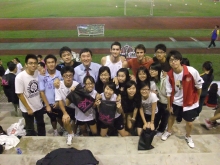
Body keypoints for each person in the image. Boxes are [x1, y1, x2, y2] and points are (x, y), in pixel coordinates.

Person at [161, 50, 204, 148]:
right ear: (169, 62)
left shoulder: (191, 71)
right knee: (171, 117)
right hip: (176, 102)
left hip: (189, 103)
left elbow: (199, 86)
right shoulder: (170, 75)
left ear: (180, 60)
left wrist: (196, 99)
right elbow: (168, 91)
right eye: (171, 60)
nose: (173, 62)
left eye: (175, 60)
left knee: (189, 123)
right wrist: (169, 105)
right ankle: (168, 131)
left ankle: (188, 136)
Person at [15, 54, 46, 136]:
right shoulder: (20, 77)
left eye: (35, 63)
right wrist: (28, 108)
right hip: (27, 108)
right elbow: (19, 94)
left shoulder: (36, 73)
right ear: (26, 64)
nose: (33, 65)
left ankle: (42, 139)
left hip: (38, 105)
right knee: (30, 128)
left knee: (41, 124)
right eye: (30, 63)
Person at [38, 54, 63, 136]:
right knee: (53, 118)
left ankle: (63, 127)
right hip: (49, 102)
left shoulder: (60, 74)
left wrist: (58, 102)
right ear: (45, 64)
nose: (51, 64)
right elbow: (42, 92)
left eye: (53, 62)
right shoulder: (42, 76)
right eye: (48, 62)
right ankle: (55, 130)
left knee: (61, 117)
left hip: (60, 102)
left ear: (56, 63)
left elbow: (63, 89)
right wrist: (47, 105)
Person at [55, 66, 78, 145]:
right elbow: (60, 100)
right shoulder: (58, 85)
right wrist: (64, 113)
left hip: (76, 108)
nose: (68, 78)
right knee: (65, 119)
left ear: (73, 76)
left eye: (70, 75)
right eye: (66, 76)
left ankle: (75, 130)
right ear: (62, 76)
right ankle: (70, 133)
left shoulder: (76, 85)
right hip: (65, 107)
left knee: (75, 122)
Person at [149, 62, 170, 136]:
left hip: (167, 102)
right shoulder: (155, 79)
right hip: (160, 101)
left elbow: (169, 92)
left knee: (165, 117)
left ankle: (161, 130)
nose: (152, 71)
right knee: (157, 115)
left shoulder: (164, 80)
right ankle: (155, 128)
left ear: (159, 71)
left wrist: (169, 105)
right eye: (151, 69)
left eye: (154, 70)